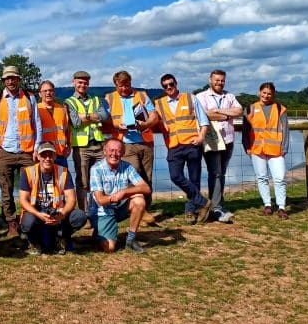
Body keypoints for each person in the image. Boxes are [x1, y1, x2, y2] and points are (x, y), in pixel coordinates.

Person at [0, 65, 43, 237]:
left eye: (14, 78)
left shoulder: (29, 98)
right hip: (5, 151)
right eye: (7, 78)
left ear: (19, 79)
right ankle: (11, 223)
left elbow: (37, 124)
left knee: (33, 187)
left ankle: (30, 220)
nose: (11, 81)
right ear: (3, 81)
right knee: (6, 188)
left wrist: (36, 148)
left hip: (27, 152)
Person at [154, 74, 213, 225]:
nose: (169, 88)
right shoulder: (159, 104)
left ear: (176, 83)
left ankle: (190, 210)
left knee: (194, 178)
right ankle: (203, 202)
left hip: (192, 144)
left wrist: (201, 137)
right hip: (173, 145)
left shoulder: (190, 98)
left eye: (171, 84)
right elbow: (152, 119)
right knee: (175, 176)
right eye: (165, 86)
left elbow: (204, 120)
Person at [103, 70, 159, 224]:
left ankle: (144, 209)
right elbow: (104, 120)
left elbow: (154, 116)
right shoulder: (109, 98)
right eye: (120, 86)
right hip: (124, 143)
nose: (123, 88)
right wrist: (115, 124)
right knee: (134, 176)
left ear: (130, 82)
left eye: (126, 85)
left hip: (145, 142)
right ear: (116, 85)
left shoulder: (141, 95)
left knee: (147, 178)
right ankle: (139, 210)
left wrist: (145, 125)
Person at [18, 142, 87, 255]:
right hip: (37, 213)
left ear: (55, 156)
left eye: (51, 155)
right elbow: (22, 200)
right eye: (44, 155)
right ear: (38, 156)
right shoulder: (28, 172)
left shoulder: (63, 172)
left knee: (80, 216)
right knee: (27, 222)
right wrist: (38, 214)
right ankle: (34, 242)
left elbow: (71, 199)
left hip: (58, 213)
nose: (47, 158)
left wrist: (62, 214)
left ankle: (60, 238)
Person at [89, 139, 152, 253]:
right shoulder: (96, 169)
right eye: (111, 150)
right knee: (110, 248)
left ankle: (131, 239)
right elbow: (100, 200)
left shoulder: (127, 167)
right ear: (104, 151)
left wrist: (124, 192)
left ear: (122, 153)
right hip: (102, 211)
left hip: (119, 208)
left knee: (139, 200)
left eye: (118, 151)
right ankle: (98, 233)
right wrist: (114, 197)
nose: (114, 154)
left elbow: (146, 188)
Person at [196, 70, 241, 223]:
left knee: (221, 174)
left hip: (228, 139)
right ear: (210, 80)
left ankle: (218, 204)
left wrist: (219, 111)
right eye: (216, 80)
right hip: (212, 141)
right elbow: (202, 114)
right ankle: (215, 209)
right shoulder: (201, 97)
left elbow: (239, 111)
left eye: (222, 80)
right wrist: (227, 115)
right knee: (215, 173)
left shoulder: (229, 96)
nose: (219, 83)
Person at [243, 82, 289, 219]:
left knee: (280, 178)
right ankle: (267, 205)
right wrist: (246, 146)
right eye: (264, 92)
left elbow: (285, 129)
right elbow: (246, 130)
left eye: (269, 93)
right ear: (259, 92)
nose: (266, 95)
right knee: (262, 178)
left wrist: (284, 147)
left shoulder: (281, 109)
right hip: (257, 149)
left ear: (273, 94)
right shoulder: (250, 108)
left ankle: (281, 206)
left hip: (276, 150)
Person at [65, 70, 108, 211]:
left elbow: (104, 116)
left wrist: (86, 116)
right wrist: (93, 116)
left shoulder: (96, 99)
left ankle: (101, 210)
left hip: (99, 145)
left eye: (85, 82)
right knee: (83, 181)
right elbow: (76, 122)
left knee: (101, 178)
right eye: (80, 82)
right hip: (81, 147)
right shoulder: (69, 102)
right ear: (74, 82)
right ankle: (84, 213)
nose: (83, 85)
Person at [37, 80, 70, 167]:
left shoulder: (62, 109)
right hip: (44, 155)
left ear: (54, 92)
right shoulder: (36, 110)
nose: (48, 93)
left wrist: (69, 147)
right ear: (40, 94)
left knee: (62, 179)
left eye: (50, 90)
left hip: (60, 153)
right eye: (45, 91)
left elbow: (67, 130)